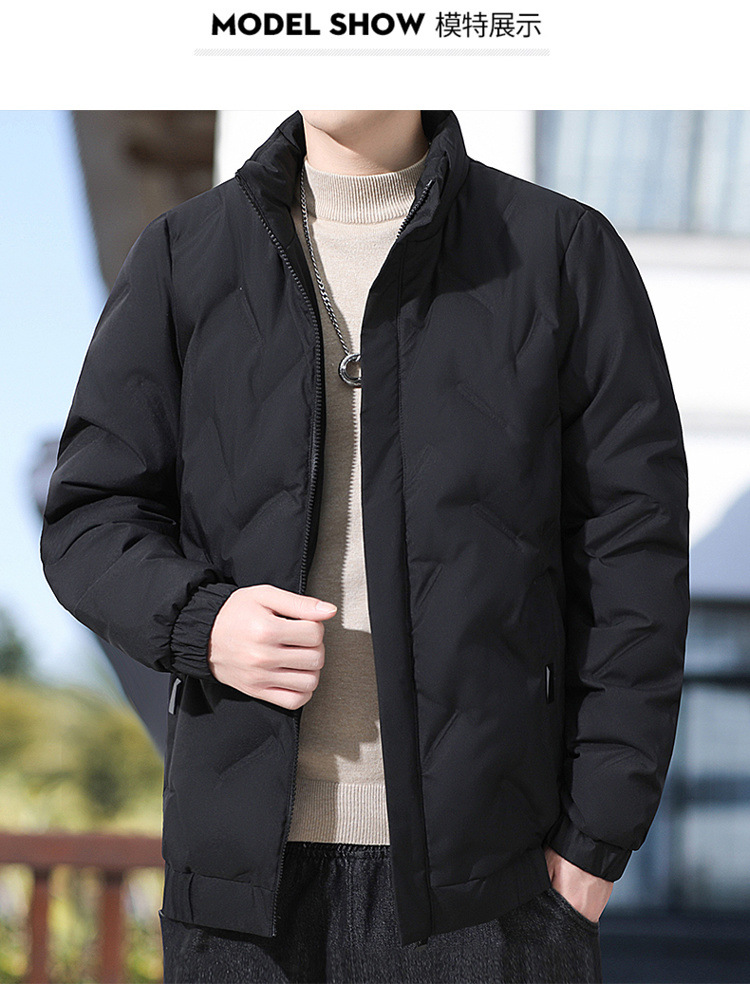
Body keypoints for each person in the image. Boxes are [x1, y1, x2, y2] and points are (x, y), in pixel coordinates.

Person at [40, 110, 690, 983]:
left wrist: (595, 840)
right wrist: (205, 621)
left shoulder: (562, 251)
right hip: (241, 901)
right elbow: (88, 520)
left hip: (496, 897)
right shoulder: (183, 254)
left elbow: (635, 557)